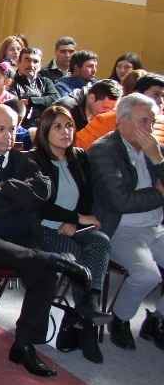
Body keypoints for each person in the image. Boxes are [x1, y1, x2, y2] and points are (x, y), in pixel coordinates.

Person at [0, 104, 91, 378]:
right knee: (24, 257)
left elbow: (42, 191)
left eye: (12, 129)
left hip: (22, 236)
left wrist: (3, 188)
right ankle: (54, 259)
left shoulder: (22, 160)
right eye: (1, 129)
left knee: (43, 275)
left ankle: (24, 345)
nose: (8, 135)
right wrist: (17, 197)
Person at [32, 105, 114, 362]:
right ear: (45, 131)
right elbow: (39, 204)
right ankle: (86, 324)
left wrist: (76, 224)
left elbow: (87, 197)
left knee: (100, 241)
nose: (65, 131)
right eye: (57, 126)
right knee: (75, 255)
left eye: (68, 126)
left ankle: (87, 308)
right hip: (43, 227)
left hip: (73, 226)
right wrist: (74, 219)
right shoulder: (35, 160)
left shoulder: (79, 157)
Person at [88, 93, 164, 352]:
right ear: (122, 122)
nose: (150, 128)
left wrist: (157, 159)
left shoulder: (155, 149)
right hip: (121, 228)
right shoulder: (103, 151)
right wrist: (159, 194)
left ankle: (156, 320)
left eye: (153, 122)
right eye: (143, 121)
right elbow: (119, 202)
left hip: (156, 227)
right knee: (147, 276)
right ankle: (120, 320)